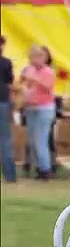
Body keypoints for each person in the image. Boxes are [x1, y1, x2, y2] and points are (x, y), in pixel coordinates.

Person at [20, 45, 56, 180]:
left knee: (41, 139)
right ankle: (37, 166)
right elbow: (24, 84)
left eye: (35, 57)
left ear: (42, 58)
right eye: (31, 57)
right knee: (32, 140)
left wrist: (35, 79)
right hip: (31, 108)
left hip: (44, 109)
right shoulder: (29, 69)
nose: (33, 60)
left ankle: (45, 169)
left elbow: (48, 87)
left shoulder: (48, 72)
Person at [0, 35, 17, 182]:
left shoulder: (7, 62)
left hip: (3, 101)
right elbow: (10, 84)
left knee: (5, 139)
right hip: (3, 101)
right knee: (5, 139)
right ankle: (10, 175)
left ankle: (10, 174)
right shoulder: (6, 62)